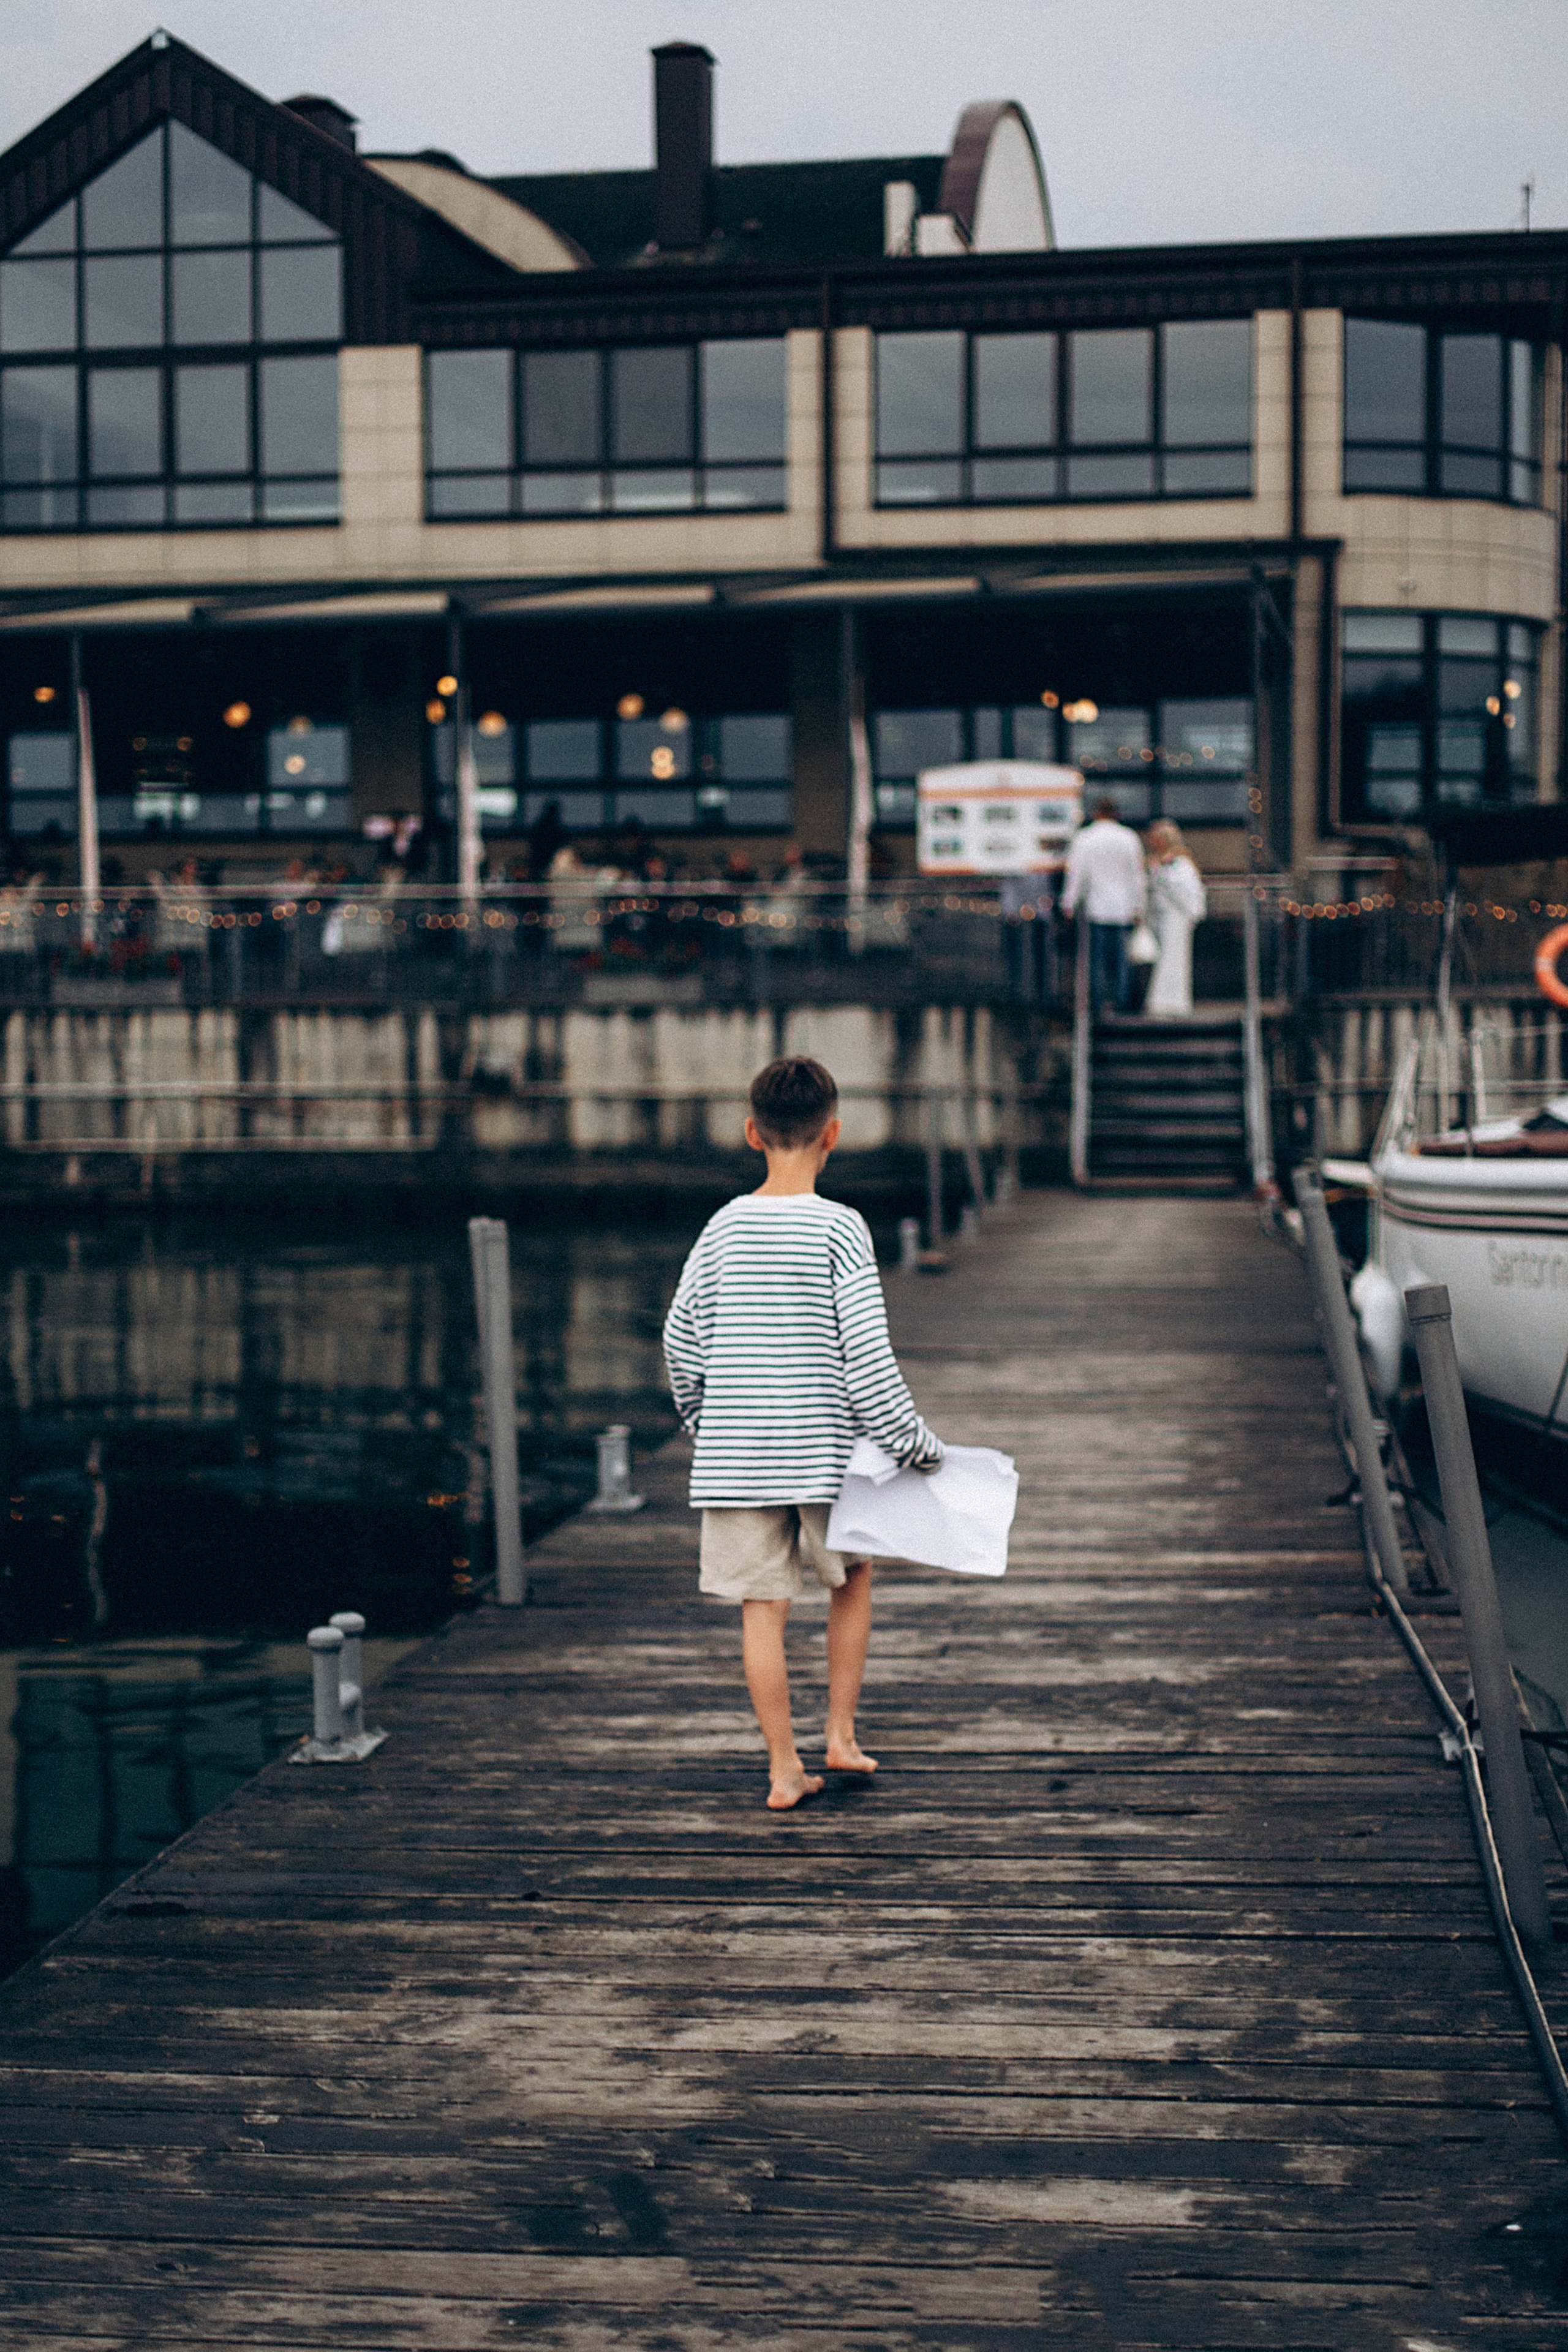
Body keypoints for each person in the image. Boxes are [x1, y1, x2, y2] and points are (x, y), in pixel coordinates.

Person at [663, 1056, 944, 1812]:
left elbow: (681, 1340)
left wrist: (702, 1419)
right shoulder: (840, 1229)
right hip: (824, 1453)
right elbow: (868, 1358)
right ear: (834, 1135)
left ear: (752, 1133)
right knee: (851, 1578)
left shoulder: (722, 1226)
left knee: (763, 1607)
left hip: (737, 1454)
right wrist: (913, 1444)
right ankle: (841, 1735)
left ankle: (784, 1767)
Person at [1061, 796, 1146, 1013]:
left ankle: (1097, 1004)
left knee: (1095, 961)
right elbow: (1137, 876)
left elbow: (1077, 875)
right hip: (1123, 908)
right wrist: (1139, 906)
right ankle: (1122, 1003)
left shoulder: (1085, 838)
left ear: (1095, 813)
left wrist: (1069, 904)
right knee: (1122, 961)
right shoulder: (1129, 838)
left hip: (1096, 908)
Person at [1144, 821, 1207, 1018]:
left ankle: (1170, 1002)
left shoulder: (1180, 862)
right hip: (1162, 916)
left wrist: (1160, 874)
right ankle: (1164, 1001)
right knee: (1165, 958)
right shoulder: (1161, 861)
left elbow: (1183, 889)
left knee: (1173, 960)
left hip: (1175, 916)